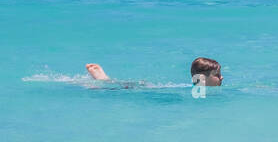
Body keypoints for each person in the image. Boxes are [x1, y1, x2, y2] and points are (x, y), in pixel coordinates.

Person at [85, 58, 223, 85]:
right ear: (201, 78)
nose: (221, 78)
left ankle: (104, 80)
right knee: (114, 87)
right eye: (217, 75)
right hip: (147, 90)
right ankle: (102, 80)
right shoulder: (198, 92)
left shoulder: (197, 91)